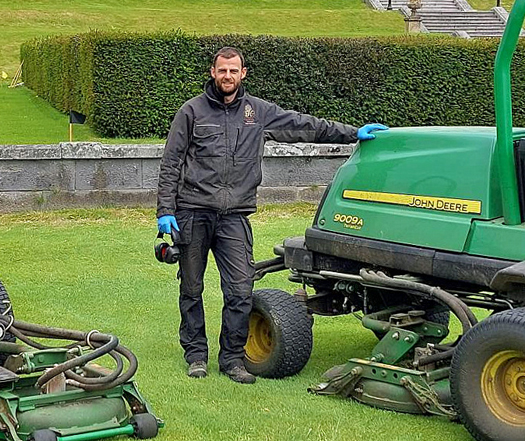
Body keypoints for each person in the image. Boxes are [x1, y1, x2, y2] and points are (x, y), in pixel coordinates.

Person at [156, 46, 385, 382]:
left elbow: (304, 125)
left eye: (233, 71)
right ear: (213, 72)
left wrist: (353, 133)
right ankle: (196, 355)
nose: (228, 76)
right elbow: (171, 162)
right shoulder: (191, 111)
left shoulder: (258, 112)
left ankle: (232, 359)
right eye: (222, 70)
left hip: (234, 217)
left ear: (243, 73)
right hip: (193, 212)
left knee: (240, 289)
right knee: (191, 288)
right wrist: (165, 211)